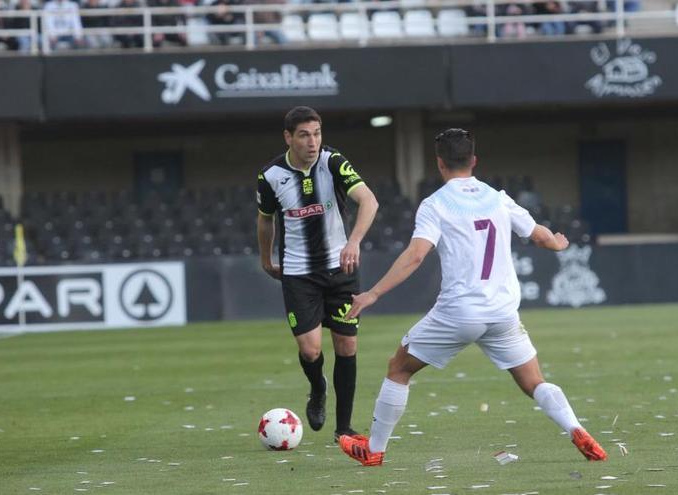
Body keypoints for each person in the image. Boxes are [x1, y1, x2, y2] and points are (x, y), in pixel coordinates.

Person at [338, 128, 607, 466]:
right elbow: (540, 236)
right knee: (533, 381)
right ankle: (576, 428)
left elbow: (416, 255)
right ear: (474, 160)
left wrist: (373, 293)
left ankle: (374, 450)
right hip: (502, 313)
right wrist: (558, 242)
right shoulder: (498, 197)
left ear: (439, 164)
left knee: (398, 368)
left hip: (459, 313)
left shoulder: (435, 204)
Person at [257, 106, 379, 441]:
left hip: (342, 269)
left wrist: (353, 241)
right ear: (288, 137)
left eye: (317, 133)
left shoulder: (333, 162)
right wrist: (266, 259)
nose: (313, 142)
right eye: (304, 135)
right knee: (311, 350)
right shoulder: (270, 176)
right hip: (298, 273)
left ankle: (344, 427)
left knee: (346, 345)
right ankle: (318, 387)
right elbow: (265, 218)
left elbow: (369, 201)